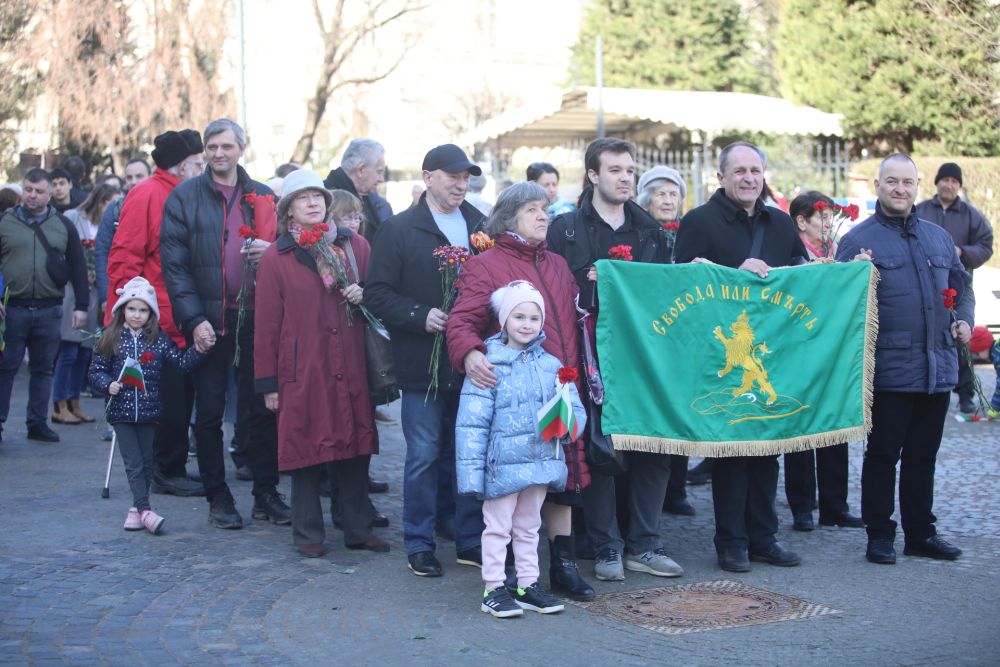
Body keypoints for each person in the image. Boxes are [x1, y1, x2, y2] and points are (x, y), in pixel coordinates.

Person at [446, 182, 595, 601]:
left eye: (544, 209)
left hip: (560, 387)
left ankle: (562, 567)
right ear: (510, 218)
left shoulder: (558, 265)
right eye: (533, 209)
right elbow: (461, 323)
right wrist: (471, 355)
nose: (543, 216)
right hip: (515, 400)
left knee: (562, 476)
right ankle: (506, 576)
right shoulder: (486, 265)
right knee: (516, 491)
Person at [547, 138, 681, 583]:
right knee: (599, 452)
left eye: (629, 170)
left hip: (643, 358)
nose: (625, 178)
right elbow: (551, 295)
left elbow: (664, 297)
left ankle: (646, 544)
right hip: (589, 360)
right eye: (615, 170)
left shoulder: (651, 232)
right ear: (592, 176)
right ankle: (607, 547)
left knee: (652, 447)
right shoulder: (565, 230)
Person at [674, 141, 807, 573]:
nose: (749, 178)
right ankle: (731, 543)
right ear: (721, 177)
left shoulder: (782, 223)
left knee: (767, 448)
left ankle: (764, 538)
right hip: (722, 354)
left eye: (755, 171)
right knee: (731, 454)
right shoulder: (699, 221)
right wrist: (734, 274)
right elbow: (686, 287)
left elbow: (798, 278)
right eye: (740, 172)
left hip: (772, 351)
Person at [837, 153, 969, 565]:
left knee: (922, 458)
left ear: (917, 187)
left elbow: (962, 287)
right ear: (878, 186)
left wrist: (964, 320)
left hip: (937, 369)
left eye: (907, 182)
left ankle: (920, 534)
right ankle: (879, 534)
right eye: (891, 182)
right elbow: (840, 303)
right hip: (889, 371)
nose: (899, 189)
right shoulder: (858, 240)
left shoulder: (938, 237)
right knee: (882, 456)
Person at [161, 118, 289, 530]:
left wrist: (272, 252)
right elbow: (175, 267)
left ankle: (266, 492)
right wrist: (193, 319)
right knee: (211, 411)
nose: (219, 153)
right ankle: (218, 496)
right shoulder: (184, 198)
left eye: (226, 146)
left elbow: (291, 251)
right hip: (209, 319)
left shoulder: (264, 197)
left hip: (258, 317)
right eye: (212, 147)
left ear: (242, 148)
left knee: (262, 408)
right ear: (204, 151)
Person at [365, 143, 487, 577]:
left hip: (472, 360)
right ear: (428, 177)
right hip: (422, 363)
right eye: (452, 176)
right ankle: (419, 542)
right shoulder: (399, 229)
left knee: (468, 451)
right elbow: (377, 293)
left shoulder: (480, 225)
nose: (461, 184)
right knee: (423, 453)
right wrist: (421, 316)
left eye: (466, 177)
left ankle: (469, 536)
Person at [254, 170, 388, 558]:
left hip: (351, 359)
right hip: (303, 368)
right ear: (289, 210)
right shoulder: (276, 258)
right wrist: (268, 384)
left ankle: (357, 528)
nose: (313, 203)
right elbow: (266, 326)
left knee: (355, 447)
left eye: (318, 196)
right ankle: (308, 532)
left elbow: (379, 299)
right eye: (303, 198)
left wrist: (366, 295)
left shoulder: (355, 245)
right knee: (305, 451)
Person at [457, 282, 582, 617]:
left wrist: (569, 424)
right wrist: (471, 475)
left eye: (534, 318)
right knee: (497, 527)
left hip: (539, 463)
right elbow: (471, 424)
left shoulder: (552, 365)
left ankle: (527, 584)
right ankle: (493, 587)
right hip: (502, 466)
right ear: (503, 320)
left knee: (529, 527)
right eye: (519, 316)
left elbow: (573, 409)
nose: (527, 324)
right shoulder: (487, 364)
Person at [108, 131, 206, 499]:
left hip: (181, 311)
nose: (203, 167)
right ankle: (166, 468)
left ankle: (173, 463)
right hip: (157, 316)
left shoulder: (185, 191)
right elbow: (125, 255)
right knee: (170, 399)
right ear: (182, 165)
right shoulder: (148, 193)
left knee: (182, 396)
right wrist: (124, 314)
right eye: (198, 162)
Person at [88, 277, 206, 534]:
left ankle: (135, 510)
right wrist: (108, 385)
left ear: (151, 313)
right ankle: (145, 509)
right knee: (133, 462)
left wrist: (199, 350)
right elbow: (95, 371)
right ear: (122, 310)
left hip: (150, 411)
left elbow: (181, 363)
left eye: (143, 310)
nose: (137, 315)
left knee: (146, 460)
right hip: (122, 411)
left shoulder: (159, 341)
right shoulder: (110, 338)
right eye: (132, 309)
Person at [778, 191, 865, 532]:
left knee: (833, 424)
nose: (829, 224)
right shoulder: (790, 253)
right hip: (796, 352)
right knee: (799, 427)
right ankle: (802, 506)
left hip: (830, 351)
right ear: (801, 221)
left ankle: (834, 505)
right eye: (822, 217)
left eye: (831, 217)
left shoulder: (835, 253)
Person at [0, 168, 89, 443]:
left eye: (39, 191)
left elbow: (78, 266)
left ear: (50, 193)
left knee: (43, 368)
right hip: (12, 308)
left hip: (50, 309)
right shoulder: (5, 222)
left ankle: (37, 422)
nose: (32, 196)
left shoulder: (63, 225)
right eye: (28, 190)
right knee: (6, 368)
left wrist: (81, 306)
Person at [915, 162, 994, 414]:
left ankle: (965, 393)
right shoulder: (921, 210)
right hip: (924, 285)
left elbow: (985, 246)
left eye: (954, 181)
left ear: (959, 186)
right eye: (944, 180)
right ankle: (925, 387)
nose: (949, 185)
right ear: (936, 183)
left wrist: (963, 252)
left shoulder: (971, 215)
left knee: (961, 337)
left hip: (958, 286)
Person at [636, 165, 692, 515]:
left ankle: (677, 488)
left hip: (682, 335)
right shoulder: (642, 232)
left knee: (682, 410)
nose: (668, 200)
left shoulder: (687, 233)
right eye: (661, 194)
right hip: (651, 332)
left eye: (674, 194)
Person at [52, 183, 121, 425]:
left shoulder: (113, 224)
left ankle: (74, 402)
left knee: (85, 351)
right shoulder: (73, 217)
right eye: (111, 202)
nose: (115, 208)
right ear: (100, 201)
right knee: (68, 349)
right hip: (73, 290)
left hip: (95, 292)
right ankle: (59, 404)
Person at [95, 158, 153, 314]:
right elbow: (102, 252)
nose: (134, 181)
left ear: (150, 176)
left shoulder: (162, 203)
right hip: (123, 293)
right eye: (129, 177)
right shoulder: (115, 209)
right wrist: (105, 295)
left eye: (139, 176)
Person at [323, 139, 390, 243]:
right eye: (379, 172)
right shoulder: (326, 198)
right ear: (361, 169)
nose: (381, 179)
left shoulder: (364, 195)